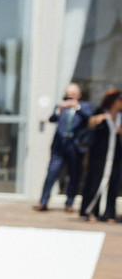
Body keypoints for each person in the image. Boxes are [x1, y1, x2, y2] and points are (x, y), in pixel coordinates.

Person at [35, 83, 92, 212]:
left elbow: (89, 118)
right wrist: (59, 110)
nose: (69, 97)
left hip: (75, 146)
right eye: (67, 94)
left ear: (78, 95)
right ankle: (43, 202)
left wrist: (77, 107)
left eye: (72, 94)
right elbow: (52, 118)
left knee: (74, 174)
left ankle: (69, 203)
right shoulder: (61, 106)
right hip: (59, 146)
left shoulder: (85, 107)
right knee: (52, 173)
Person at [78, 88, 121, 223]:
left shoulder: (120, 116)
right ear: (113, 101)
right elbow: (89, 124)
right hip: (99, 155)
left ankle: (108, 214)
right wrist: (99, 119)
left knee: (112, 183)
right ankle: (90, 211)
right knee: (94, 181)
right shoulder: (100, 112)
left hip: (115, 155)